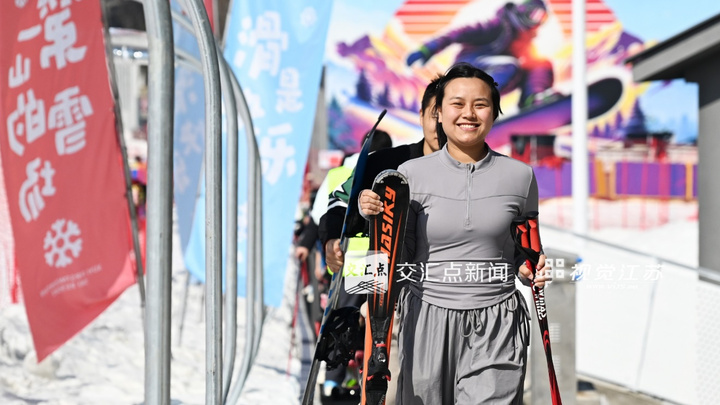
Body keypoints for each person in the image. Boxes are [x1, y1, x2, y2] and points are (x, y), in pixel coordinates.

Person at [359, 62, 551, 404]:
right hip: (427, 318)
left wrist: (529, 268)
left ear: (494, 112)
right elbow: (398, 253)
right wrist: (374, 216)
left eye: (480, 104)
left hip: (497, 322)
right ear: (440, 112)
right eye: (457, 104)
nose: (469, 114)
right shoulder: (410, 174)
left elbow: (524, 249)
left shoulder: (520, 177)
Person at [318, 77, 443, 404]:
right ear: (421, 115)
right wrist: (333, 238)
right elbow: (338, 205)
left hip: (448, 293)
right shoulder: (384, 164)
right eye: (435, 114)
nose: (441, 124)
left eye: (450, 114)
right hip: (381, 285)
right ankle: (336, 376)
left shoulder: (479, 173)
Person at [406, 0, 554, 109]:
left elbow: (534, 68)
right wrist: (427, 49)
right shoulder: (497, 26)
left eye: (542, 18)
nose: (536, 22)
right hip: (467, 70)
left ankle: (533, 99)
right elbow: (458, 34)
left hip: (494, 75)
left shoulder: (524, 42)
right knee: (509, 66)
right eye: (533, 14)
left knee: (540, 63)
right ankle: (476, 102)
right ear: (522, 10)